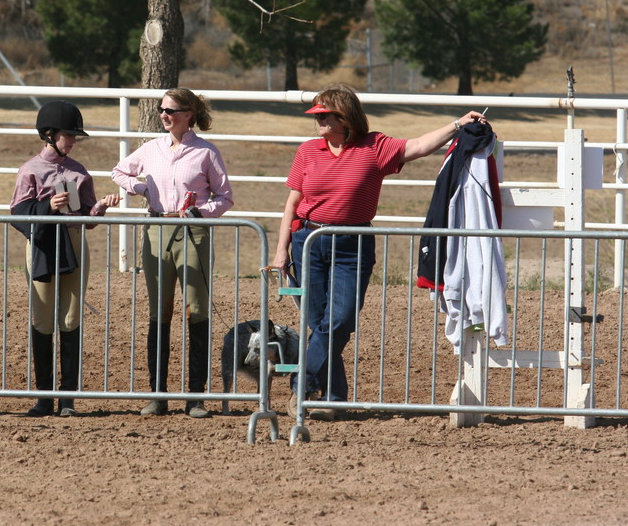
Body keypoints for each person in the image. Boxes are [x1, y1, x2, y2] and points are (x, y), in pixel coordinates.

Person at [270, 84, 484, 421]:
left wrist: (456, 125)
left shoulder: (375, 147)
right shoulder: (308, 151)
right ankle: (333, 400)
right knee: (320, 324)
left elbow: (417, 146)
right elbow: (292, 204)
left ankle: (302, 384)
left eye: (325, 116)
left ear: (346, 117)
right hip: (308, 242)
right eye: (317, 116)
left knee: (338, 321)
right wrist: (281, 250)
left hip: (352, 246)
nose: (318, 121)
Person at [112, 88, 234, 418]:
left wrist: (201, 213)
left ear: (189, 114)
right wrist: (140, 188)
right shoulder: (151, 150)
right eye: (162, 109)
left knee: (196, 310)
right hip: (156, 227)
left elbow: (224, 197)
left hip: (192, 233)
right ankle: (157, 394)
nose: (164, 115)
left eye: (171, 110)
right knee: (159, 311)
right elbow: (119, 172)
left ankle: (195, 397)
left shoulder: (206, 153)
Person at [10, 101, 120, 417]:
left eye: (73, 137)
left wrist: (99, 208)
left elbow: (86, 217)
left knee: (71, 319)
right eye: (66, 135)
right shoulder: (29, 170)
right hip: (42, 245)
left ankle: (67, 399)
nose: (71, 141)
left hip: (73, 242)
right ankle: (45, 397)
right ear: (48, 134)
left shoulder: (79, 172)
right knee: (42, 318)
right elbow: (17, 213)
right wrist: (49, 207)